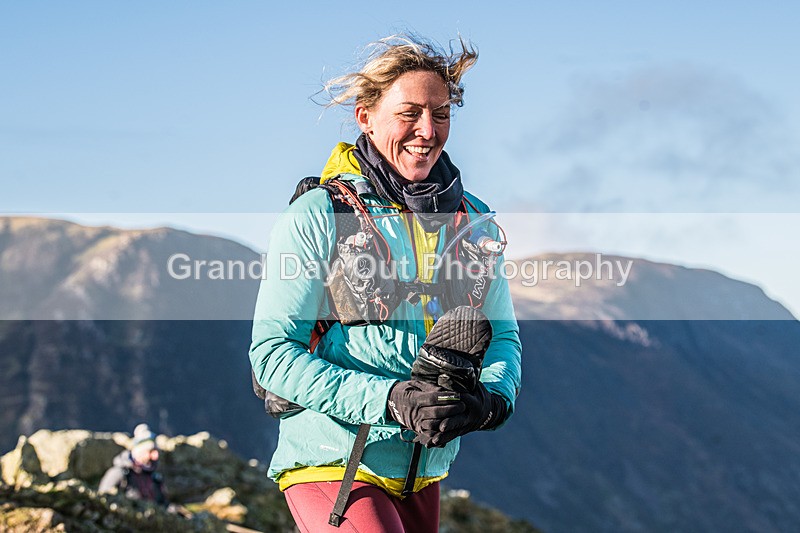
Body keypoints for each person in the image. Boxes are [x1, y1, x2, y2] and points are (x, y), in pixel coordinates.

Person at [249, 34, 521, 532]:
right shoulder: (318, 216)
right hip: (335, 462)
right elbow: (271, 355)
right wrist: (392, 399)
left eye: (441, 114)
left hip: (424, 472)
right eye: (409, 112)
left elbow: (501, 334)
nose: (427, 130)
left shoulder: (475, 221)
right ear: (365, 117)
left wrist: (490, 402)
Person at [98, 423, 167, 506]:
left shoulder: (155, 478)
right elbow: (102, 501)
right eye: (150, 452)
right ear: (139, 451)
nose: (155, 456)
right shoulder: (119, 474)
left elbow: (162, 505)